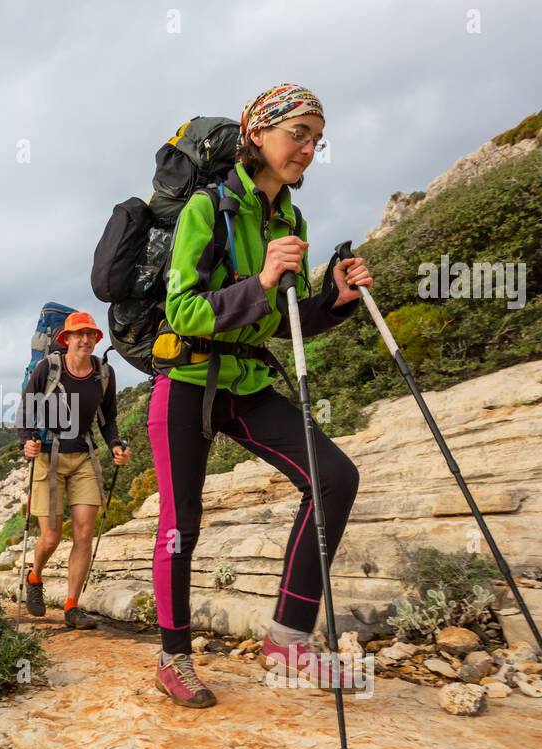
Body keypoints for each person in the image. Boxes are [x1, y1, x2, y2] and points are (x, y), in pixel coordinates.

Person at [149, 84, 374, 707]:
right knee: (179, 527)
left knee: (334, 477)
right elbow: (184, 310)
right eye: (297, 134)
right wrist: (263, 278)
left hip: (246, 383)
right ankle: (173, 657)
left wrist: (333, 301)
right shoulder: (207, 208)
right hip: (188, 384)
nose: (307, 150)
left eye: (316, 140)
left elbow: (278, 321)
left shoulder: (290, 219)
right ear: (258, 134)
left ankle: (289, 641)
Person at [18, 312, 131, 628]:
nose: (84, 340)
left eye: (90, 334)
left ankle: (71, 607)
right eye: (77, 334)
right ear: (65, 339)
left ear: (96, 339)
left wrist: (116, 445)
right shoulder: (49, 368)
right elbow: (27, 409)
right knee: (51, 537)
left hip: (83, 456)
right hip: (49, 456)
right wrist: (26, 441)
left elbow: (108, 420)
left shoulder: (104, 374)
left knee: (84, 533)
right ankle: (35, 576)